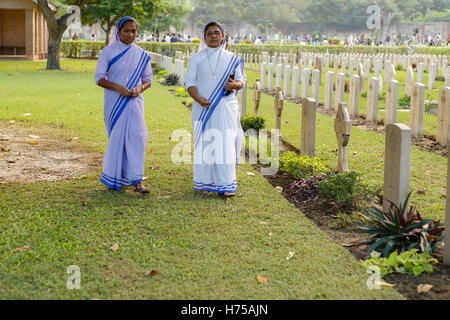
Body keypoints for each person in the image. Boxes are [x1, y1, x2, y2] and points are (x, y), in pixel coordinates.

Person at [185, 21, 246, 197]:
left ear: (223, 36)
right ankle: (205, 182)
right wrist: (197, 98)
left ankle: (225, 185)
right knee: (205, 144)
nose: (213, 36)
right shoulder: (197, 58)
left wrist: (235, 85)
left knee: (225, 143)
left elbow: (242, 81)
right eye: (210, 33)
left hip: (225, 108)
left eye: (217, 33)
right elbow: (189, 82)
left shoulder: (232, 59)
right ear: (204, 37)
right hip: (202, 108)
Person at [95, 17, 153, 193]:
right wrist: (117, 87)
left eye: (134, 31)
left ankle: (137, 180)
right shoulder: (108, 52)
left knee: (138, 138)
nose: (130, 34)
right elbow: (99, 79)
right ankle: (115, 178)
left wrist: (139, 88)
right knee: (117, 139)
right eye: (126, 30)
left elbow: (148, 80)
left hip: (135, 102)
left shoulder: (142, 55)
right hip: (114, 103)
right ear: (118, 32)